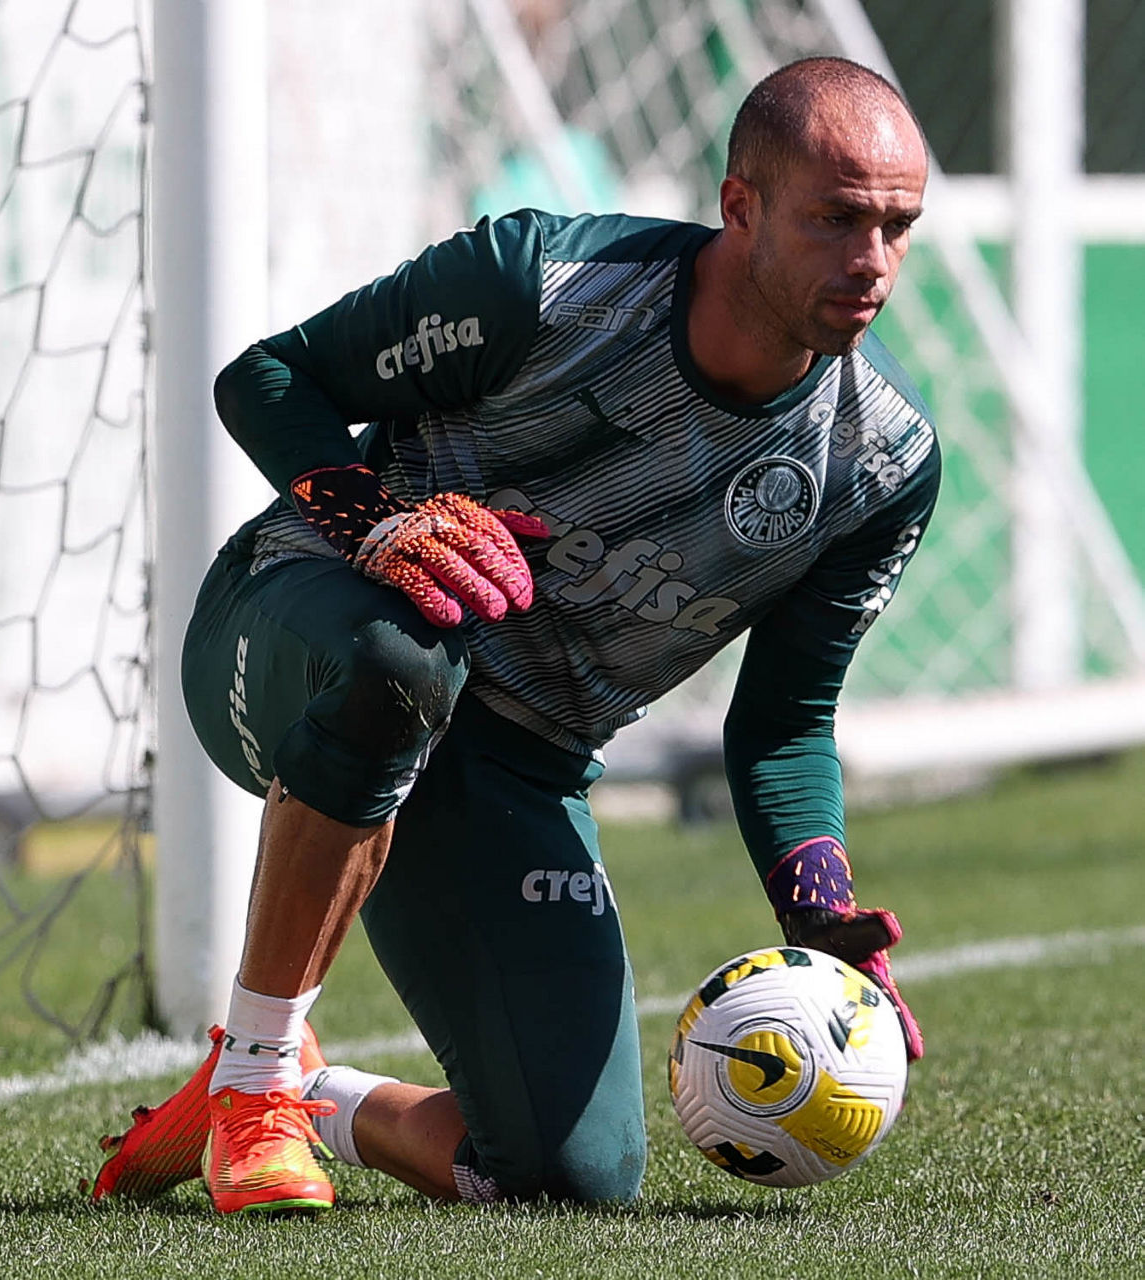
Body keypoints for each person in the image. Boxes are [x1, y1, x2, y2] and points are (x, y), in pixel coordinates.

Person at [88, 56, 938, 1214]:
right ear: (738, 205)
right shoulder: (540, 281)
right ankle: (252, 1079)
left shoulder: (879, 462)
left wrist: (816, 904)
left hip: (510, 762)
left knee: (567, 1177)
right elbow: (268, 377)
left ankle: (303, 1094)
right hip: (300, 632)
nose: (871, 260)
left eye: (895, 226)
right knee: (404, 655)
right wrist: (376, 520)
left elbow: (784, 720)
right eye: (834, 218)